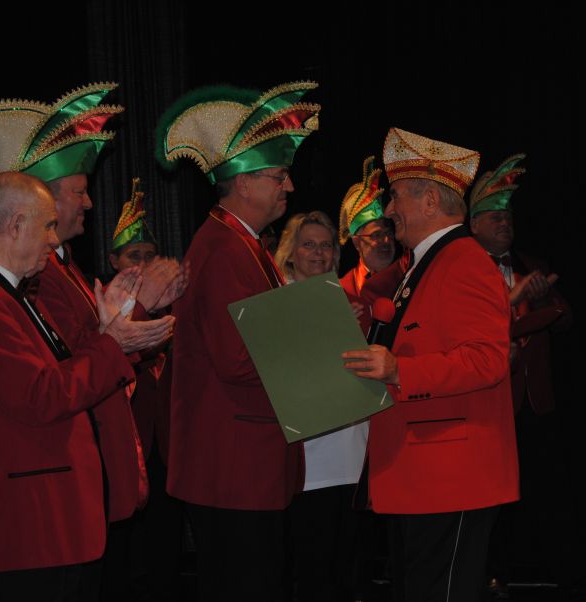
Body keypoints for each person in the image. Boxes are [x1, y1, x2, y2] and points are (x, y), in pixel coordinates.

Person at [0, 171, 154, 601]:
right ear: (16, 225)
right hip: (20, 532)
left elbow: (59, 375)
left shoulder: (6, 294)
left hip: (42, 527)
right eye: (48, 225)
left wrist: (107, 333)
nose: (54, 240)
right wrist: (112, 343)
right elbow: (43, 396)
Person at [156, 80, 320, 601]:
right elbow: (238, 359)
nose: (289, 186)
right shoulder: (226, 250)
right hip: (234, 468)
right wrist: (318, 360)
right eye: (278, 175)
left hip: (242, 465)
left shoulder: (238, 243)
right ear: (244, 183)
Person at [343, 128, 518, 601]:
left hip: (450, 476)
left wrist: (400, 370)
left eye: (396, 196)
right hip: (424, 474)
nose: (388, 210)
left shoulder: (464, 261)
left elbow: (487, 360)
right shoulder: (427, 263)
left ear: (430, 201)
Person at [468, 154, 578, 596]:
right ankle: (491, 572)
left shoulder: (530, 263)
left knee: (542, 489)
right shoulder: (466, 272)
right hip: (493, 398)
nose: (505, 223)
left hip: (534, 399)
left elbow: (566, 321)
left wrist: (545, 297)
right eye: (495, 217)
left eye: (508, 217)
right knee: (492, 496)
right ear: (473, 225)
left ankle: (552, 571)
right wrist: (512, 304)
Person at [273, 211, 368, 601]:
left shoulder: (346, 299)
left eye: (326, 245)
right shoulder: (275, 303)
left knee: (348, 568)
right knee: (313, 569)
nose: (319, 253)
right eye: (308, 244)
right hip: (310, 459)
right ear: (290, 252)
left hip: (353, 450)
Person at [108, 179, 184, 602]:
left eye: (150, 256)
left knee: (166, 537)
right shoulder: (104, 311)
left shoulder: (176, 307)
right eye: (133, 256)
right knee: (122, 544)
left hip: (169, 442)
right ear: (113, 261)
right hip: (127, 444)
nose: (142, 264)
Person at [338, 156, 396, 298]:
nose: (386, 240)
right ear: (357, 242)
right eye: (376, 235)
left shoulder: (409, 279)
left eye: (388, 233)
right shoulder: (342, 291)